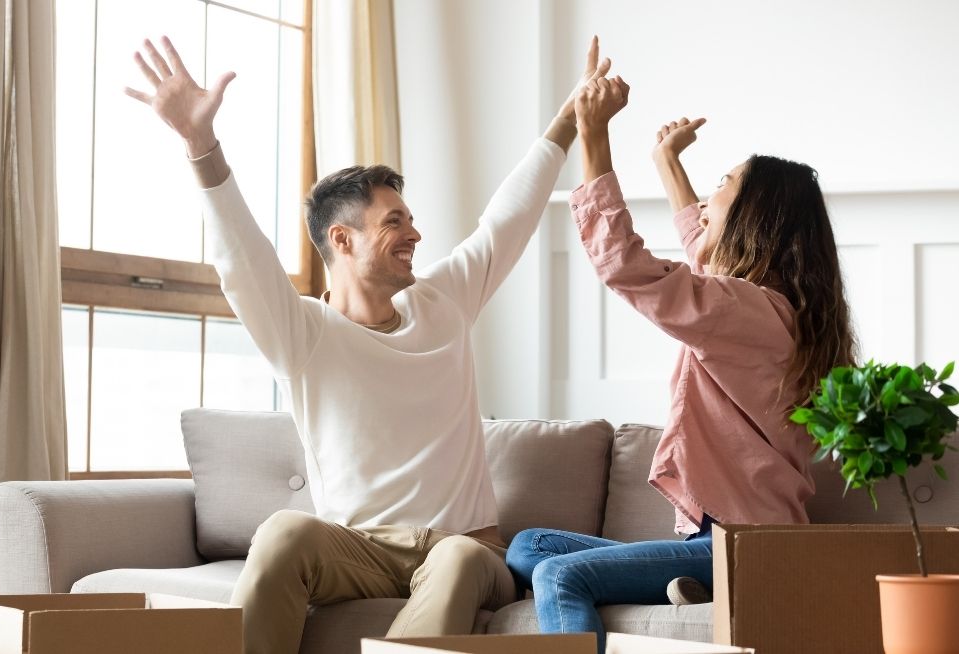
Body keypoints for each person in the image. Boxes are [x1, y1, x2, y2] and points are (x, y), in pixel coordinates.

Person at [125, 35, 608, 654]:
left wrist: (569, 119)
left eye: (409, 219)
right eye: (394, 223)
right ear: (343, 240)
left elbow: (508, 217)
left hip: (467, 548)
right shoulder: (303, 334)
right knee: (282, 533)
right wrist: (201, 145)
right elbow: (242, 260)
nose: (416, 233)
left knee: (459, 559)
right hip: (360, 550)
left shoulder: (445, 300)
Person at [505, 68, 857, 652]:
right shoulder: (766, 306)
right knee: (529, 546)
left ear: (753, 214)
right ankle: (684, 582)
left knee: (557, 572)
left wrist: (594, 136)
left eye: (724, 181)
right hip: (721, 540)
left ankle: (691, 579)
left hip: (744, 544)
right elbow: (705, 251)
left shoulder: (748, 311)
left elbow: (627, 266)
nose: (710, 195)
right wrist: (667, 160)